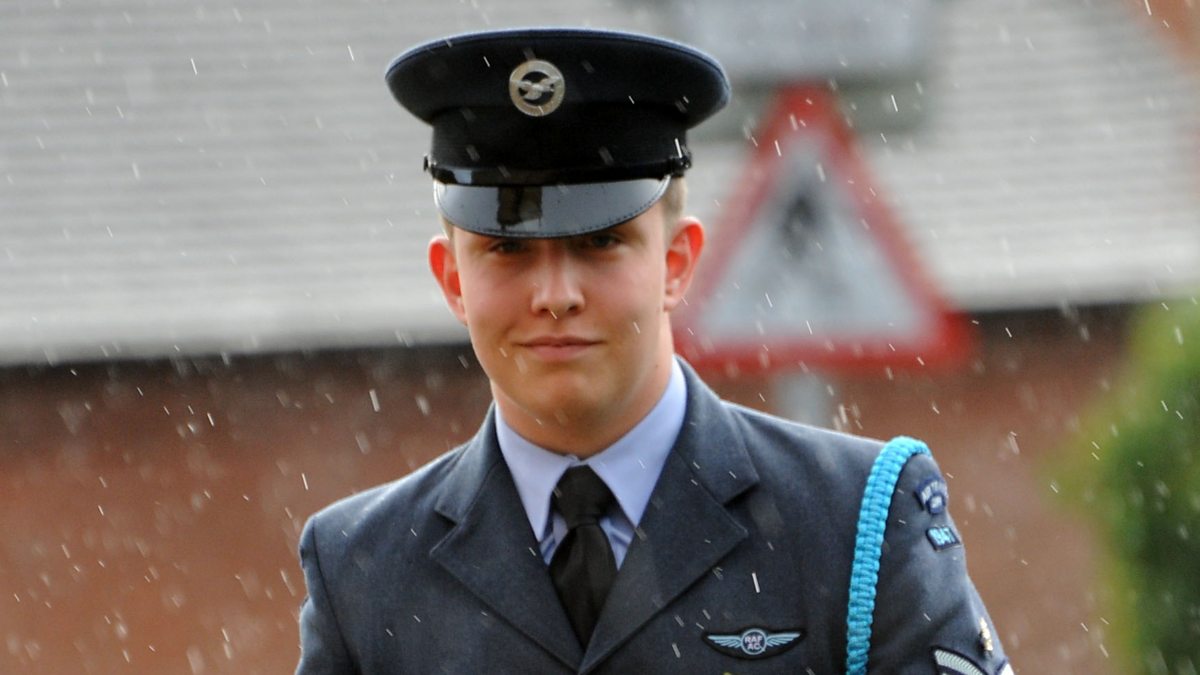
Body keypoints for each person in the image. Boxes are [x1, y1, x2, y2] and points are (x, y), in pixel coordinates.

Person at [296, 27, 1011, 674]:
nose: (555, 293)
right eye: (507, 250)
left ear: (676, 262)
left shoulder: (854, 523)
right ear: (452, 279)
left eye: (599, 241)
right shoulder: (363, 567)